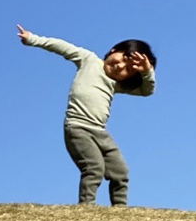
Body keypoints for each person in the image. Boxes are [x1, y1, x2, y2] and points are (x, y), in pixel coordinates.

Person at [16, 24, 157, 207]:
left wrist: (147, 72)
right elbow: (62, 47)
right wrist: (33, 39)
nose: (120, 66)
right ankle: (86, 206)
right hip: (77, 127)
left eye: (128, 70)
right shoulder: (89, 60)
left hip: (99, 132)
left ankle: (121, 209)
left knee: (120, 171)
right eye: (123, 58)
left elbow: (147, 91)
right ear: (114, 50)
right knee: (94, 167)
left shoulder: (116, 84)